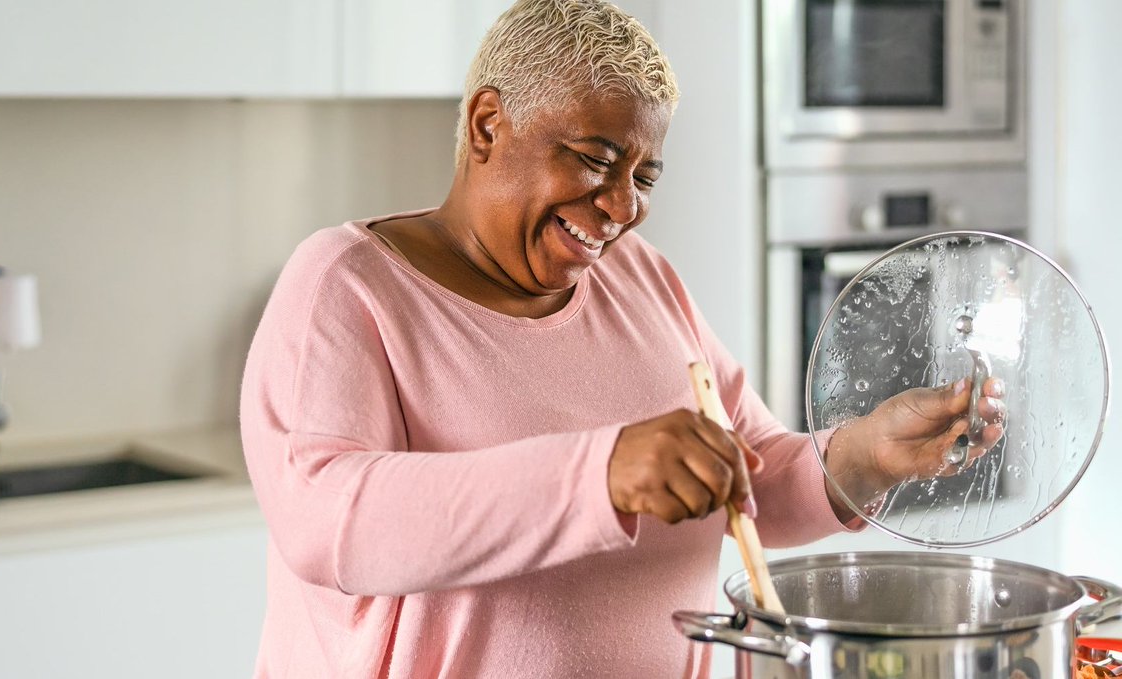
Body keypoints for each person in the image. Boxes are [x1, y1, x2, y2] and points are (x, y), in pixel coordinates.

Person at [239, 1, 1005, 677]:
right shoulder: (348, 285)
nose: (621, 206)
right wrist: (597, 474)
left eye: (644, 176)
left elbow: (747, 481)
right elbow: (328, 521)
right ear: (486, 125)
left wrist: (862, 455)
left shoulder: (640, 277)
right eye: (596, 160)